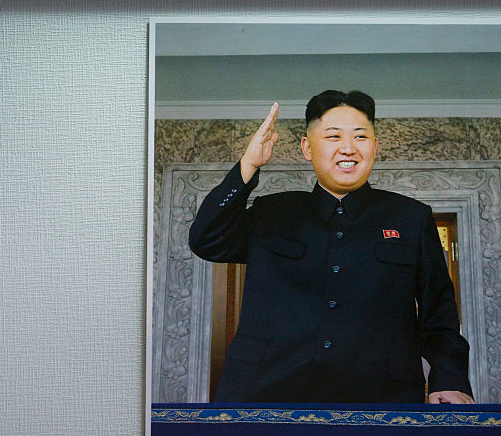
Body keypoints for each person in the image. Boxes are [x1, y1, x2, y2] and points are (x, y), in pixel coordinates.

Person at [189, 90, 474, 405]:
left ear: (375, 146)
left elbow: (439, 313)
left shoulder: (411, 218)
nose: (348, 148)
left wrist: (449, 379)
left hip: (380, 396)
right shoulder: (272, 212)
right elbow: (207, 240)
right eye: (333, 136)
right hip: (266, 391)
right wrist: (248, 165)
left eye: (360, 136)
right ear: (307, 148)